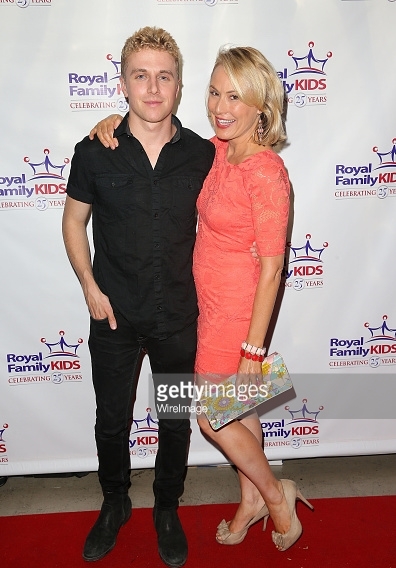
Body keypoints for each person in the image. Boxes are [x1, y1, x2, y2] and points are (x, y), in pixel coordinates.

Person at [91, 45, 313, 553]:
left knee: (212, 417)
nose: (221, 106)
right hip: (204, 307)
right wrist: (112, 122)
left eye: (236, 96)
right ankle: (251, 499)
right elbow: (154, 136)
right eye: (215, 92)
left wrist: (253, 351)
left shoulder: (267, 173)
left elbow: (274, 266)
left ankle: (278, 495)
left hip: (235, 317)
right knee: (241, 414)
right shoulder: (214, 150)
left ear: (263, 106)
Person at [62, 27, 215, 568]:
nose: (153, 87)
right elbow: (74, 222)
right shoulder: (94, 150)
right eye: (141, 75)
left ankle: (166, 507)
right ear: (122, 83)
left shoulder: (204, 154)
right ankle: (115, 502)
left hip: (177, 315)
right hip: (113, 316)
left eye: (164, 76)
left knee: (174, 420)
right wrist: (88, 285)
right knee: (111, 420)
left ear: (178, 84)